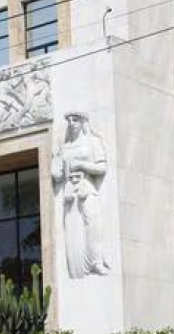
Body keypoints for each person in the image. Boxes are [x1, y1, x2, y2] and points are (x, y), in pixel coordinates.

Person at [51, 112, 110, 279]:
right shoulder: (64, 147)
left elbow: (102, 168)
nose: (71, 123)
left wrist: (81, 165)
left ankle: (95, 262)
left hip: (87, 188)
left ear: (83, 122)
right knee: (71, 227)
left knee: (92, 224)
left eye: (75, 120)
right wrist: (56, 161)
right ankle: (76, 268)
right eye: (69, 120)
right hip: (69, 191)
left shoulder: (93, 142)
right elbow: (57, 175)